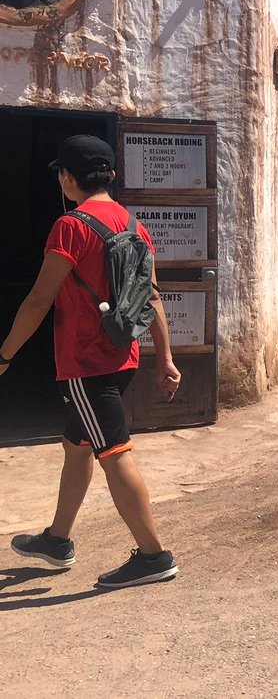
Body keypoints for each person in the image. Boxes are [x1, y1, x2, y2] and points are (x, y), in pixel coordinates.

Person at [3, 135, 181, 589]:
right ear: (112, 175)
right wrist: (164, 358)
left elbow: (40, 299)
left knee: (114, 454)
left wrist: (4, 354)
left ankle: (153, 555)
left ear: (67, 177)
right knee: (77, 445)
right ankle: (57, 540)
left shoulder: (71, 226)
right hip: (122, 356)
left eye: (61, 174)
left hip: (85, 362)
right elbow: (152, 296)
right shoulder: (132, 224)